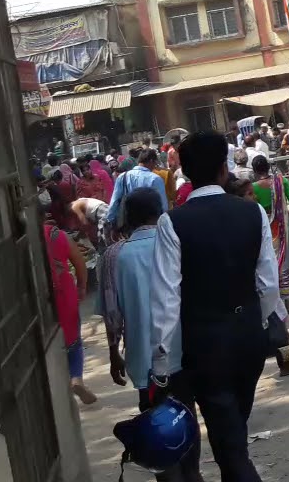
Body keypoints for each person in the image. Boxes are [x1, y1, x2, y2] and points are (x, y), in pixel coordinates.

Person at [149, 131, 288, 482]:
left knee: (231, 446)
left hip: (205, 343)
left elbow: (166, 298)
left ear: (187, 172)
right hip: (248, 339)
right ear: (224, 170)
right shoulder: (252, 212)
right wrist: (258, 320)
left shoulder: (172, 222)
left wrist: (162, 361)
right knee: (234, 431)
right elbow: (268, 284)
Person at [99, 189, 199, 482]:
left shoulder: (114, 256)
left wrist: (113, 352)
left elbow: (113, 315)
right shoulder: (178, 241)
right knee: (186, 413)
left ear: (127, 217)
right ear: (161, 211)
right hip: (184, 349)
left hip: (145, 358)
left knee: (156, 422)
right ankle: (192, 474)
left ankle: (172, 477)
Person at [41, 200, 96, 405]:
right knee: (73, 340)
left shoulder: (24, 242)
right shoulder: (58, 236)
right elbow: (80, 264)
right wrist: (81, 286)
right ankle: (76, 378)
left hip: (38, 296)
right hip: (63, 292)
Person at [251, 155, 289, 311]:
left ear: (255, 170)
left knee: (275, 261)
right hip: (284, 224)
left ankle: (284, 300)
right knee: (288, 258)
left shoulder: (253, 187)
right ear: (268, 168)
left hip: (267, 227)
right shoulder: (281, 181)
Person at [107, 150, 169, 231]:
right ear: (151, 161)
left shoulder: (122, 177)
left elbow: (114, 202)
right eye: (155, 163)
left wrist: (110, 222)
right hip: (151, 225)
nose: (155, 166)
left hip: (130, 225)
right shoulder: (155, 179)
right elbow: (163, 206)